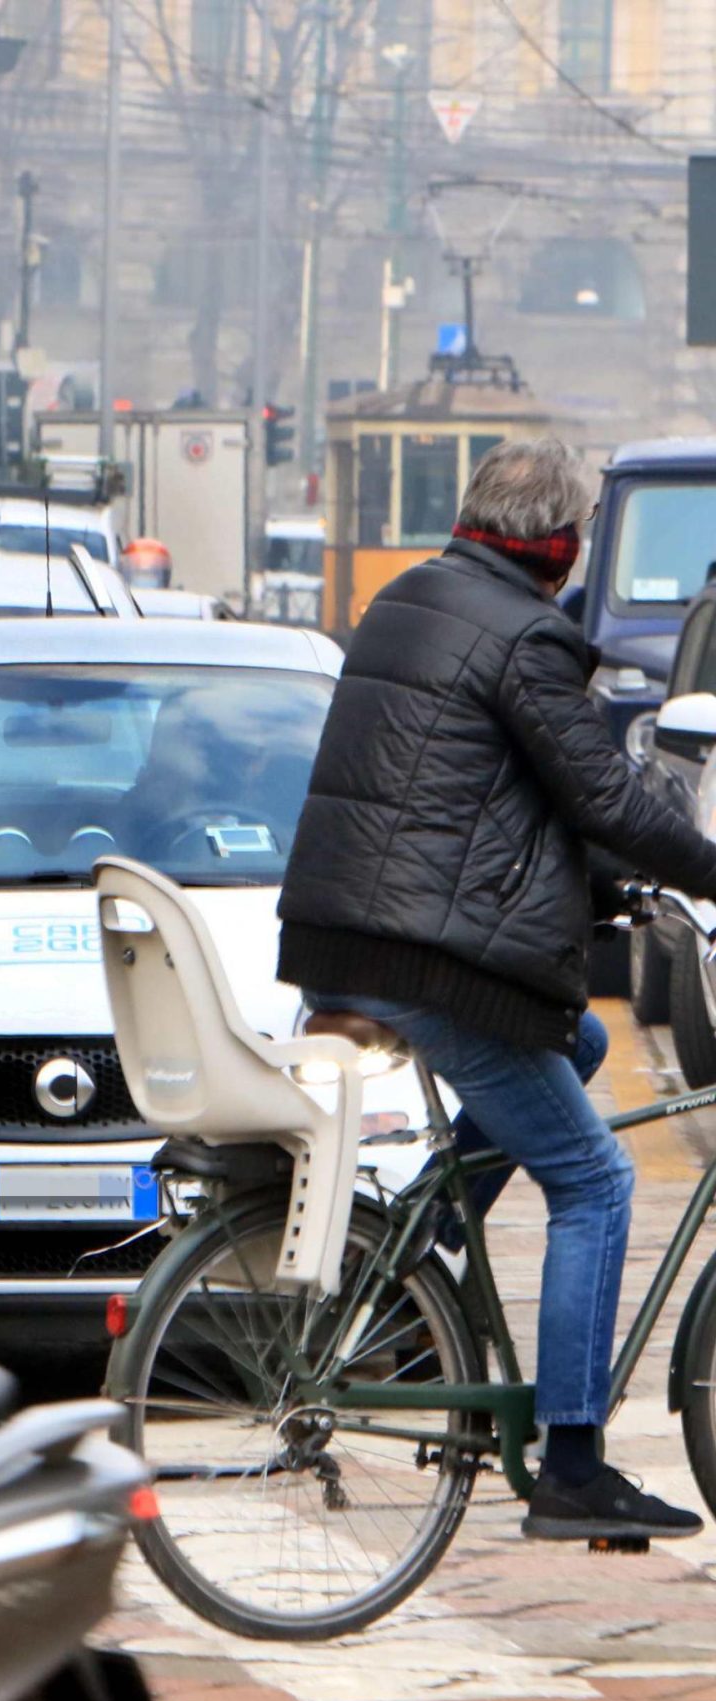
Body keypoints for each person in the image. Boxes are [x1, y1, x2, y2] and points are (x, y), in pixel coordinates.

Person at [278, 437, 716, 1542]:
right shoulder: (527, 636)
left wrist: (611, 891)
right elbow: (602, 792)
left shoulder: (409, 599)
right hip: (426, 957)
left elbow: (479, 792)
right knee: (598, 1181)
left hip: (356, 937)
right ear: (561, 548)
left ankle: (408, 1274)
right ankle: (572, 1462)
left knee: (571, 1051)